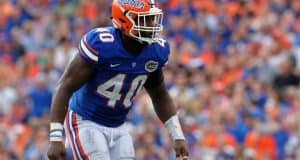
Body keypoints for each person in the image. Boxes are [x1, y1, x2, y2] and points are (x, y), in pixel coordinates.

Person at [46, 0, 189, 160]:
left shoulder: (155, 51)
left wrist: (178, 136)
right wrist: (55, 137)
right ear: (124, 21)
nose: (151, 24)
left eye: (152, 18)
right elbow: (65, 87)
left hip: (119, 126)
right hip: (85, 120)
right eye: (144, 19)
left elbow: (159, 95)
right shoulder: (101, 45)